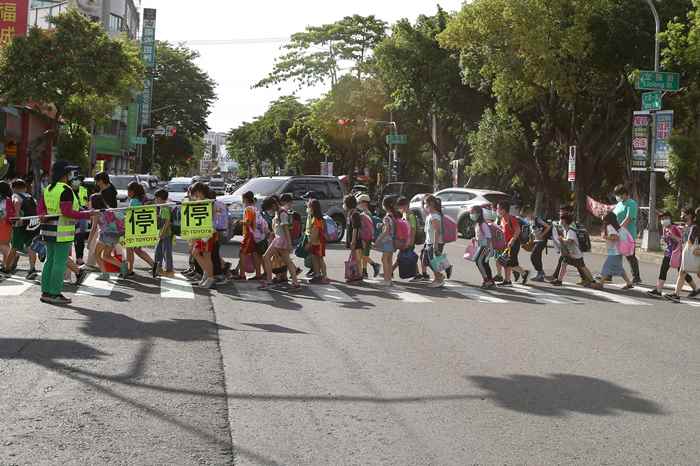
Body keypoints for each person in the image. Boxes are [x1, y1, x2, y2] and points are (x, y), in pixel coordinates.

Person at [37, 161, 93, 305]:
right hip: (62, 233)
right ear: (64, 174)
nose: (70, 175)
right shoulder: (66, 190)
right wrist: (87, 214)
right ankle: (55, 294)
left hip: (48, 231)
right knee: (59, 263)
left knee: (50, 261)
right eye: (69, 172)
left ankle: (46, 292)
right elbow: (67, 212)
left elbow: (41, 210)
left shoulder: (48, 189)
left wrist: (43, 215)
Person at [648, 211, 698, 298]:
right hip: (669, 253)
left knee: (681, 272)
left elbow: (681, 240)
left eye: (665, 218)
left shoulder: (675, 228)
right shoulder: (665, 228)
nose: (663, 220)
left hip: (676, 253)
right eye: (662, 219)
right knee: (672, 271)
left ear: (670, 219)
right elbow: (667, 241)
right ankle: (659, 290)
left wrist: (672, 236)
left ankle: (659, 290)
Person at [261, 193, 299, 290]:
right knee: (287, 261)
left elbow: (286, 229)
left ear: (273, 205)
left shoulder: (282, 213)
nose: (269, 211)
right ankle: (295, 283)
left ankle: (270, 281)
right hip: (279, 239)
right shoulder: (279, 212)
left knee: (269, 258)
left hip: (281, 240)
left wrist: (289, 244)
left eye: (269, 208)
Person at [550, 213, 596, 287]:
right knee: (564, 264)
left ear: (564, 221)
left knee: (582, 267)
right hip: (571, 253)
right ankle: (559, 280)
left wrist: (562, 240)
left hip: (576, 254)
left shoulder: (570, 231)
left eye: (561, 219)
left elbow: (570, 241)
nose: (560, 221)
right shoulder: (565, 230)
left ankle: (592, 281)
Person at [665, 208, 700, 303]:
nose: (681, 216)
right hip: (692, 253)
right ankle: (676, 295)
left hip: (694, 253)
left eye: (683, 214)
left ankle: (676, 295)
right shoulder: (690, 226)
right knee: (682, 272)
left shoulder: (694, 227)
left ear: (690, 215)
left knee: (687, 272)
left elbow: (690, 242)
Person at [608, 185, 641, 284]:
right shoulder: (619, 204)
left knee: (630, 256)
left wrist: (619, 229)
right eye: (617, 195)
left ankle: (636, 277)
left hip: (628, 235)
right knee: (614, 254)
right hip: (617, 234)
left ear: (625, 194)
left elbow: (628, 218)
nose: (618, 197)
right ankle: (608, 275)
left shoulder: (631, 203)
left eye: (619, 194)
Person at [87, 193, 124, 281]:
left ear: (94, 202)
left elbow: (94, 228)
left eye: (90, 201)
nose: (89, 202)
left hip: (105, 236)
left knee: (97, 254)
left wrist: (89, 241)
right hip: (115, 235)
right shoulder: (109, 209)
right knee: (107, 256)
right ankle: (123, 267)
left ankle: (105, 274)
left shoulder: (97, 212)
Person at [121, 181, 155, 276]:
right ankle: (154, 265)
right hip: (140, 228)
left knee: (130, 249)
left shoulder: (134, 201)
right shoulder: (142, 199)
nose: (127, 193)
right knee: (137, 250)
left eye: (128, 191)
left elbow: (130, 216)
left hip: (133, 228)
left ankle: (129, 269)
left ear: (133, 191)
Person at [7, 179, 39, 280]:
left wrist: (17, 216)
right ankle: (32, 269)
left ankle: (6, 268)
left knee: (14, 247)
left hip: (20, 225)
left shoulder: (15, 195)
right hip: (32, 224)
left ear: (13, 188)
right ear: (25, 188)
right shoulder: (30, 196)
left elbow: (16, 202)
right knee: (30, 247)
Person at [596, 211, 634, 290]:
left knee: (607, 267)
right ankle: (629, 283)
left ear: (607, 218)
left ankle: (600, 283)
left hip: (614, 251)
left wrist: (606, 237)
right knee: (619, 268)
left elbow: (615, 237)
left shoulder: (609, 226)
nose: (603, 216)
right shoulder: (616, 226)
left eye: (604, 215)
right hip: (617, 251)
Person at [497, 201, 530, 286]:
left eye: (498, 209)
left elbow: (517, 230)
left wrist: (512, 240)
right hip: (507, 244)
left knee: (509, 263)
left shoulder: (511, 218)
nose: (497, 210)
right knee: (508, 262)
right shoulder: (502, 219)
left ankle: (512, 279)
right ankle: (519, 275)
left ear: (504, 210)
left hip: (514, 243)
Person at [420, 195, 447, 288]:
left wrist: (435, 245)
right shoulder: (430, 215)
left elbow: (437, 231)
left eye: (425, 204)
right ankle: (439, 276)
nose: (424, 206)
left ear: (431, 204)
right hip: (429, 242)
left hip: (434, 243)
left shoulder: (435, 216)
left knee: (434, 262)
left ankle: (438, 280)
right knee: (428, 261)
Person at [235, 191, 261, 280]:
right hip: (255, 234)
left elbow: (248, 222)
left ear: (245, 199)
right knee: (254, 254)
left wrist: (239, 222)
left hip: (249, 234)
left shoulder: (248, 209)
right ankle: (258, 274)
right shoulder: (255, 208)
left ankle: (242, 275)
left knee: (242, 253)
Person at [522, 206, 551, 282]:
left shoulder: (537, 219)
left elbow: (548, 227)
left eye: (527, 214)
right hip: (536, 241)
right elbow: (532, 232)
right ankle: (540, 274)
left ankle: (540, 273)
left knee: (533, 256)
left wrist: (542, 235)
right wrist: (530, 241)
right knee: (537, 257)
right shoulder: (530, 221)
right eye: (525, 215)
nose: (526, 216)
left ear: (531, 212)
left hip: (542, 241)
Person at [375, 196, 399, 287]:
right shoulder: (393, 216)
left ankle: (386, 279)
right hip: (393, 240)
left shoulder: (387, 217)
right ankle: (389, 279)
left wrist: (378, 239)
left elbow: (386, 231)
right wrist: (382, 225)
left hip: (387, 241)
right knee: (389, 259)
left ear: (384, 205)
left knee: (384, 259)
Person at [357, 194, 381, 278]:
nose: (358, 204)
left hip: (365, 237)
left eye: (359, 203)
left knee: (363, 255)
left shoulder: (366, 213)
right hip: (368, 237)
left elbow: (366, 228)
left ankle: (374, 265)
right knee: (365, 255)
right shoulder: (366, 212)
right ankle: (364, 271)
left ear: (364, 203)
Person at [471, 205, 495, 289]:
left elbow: (488, 237)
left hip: (485, 246)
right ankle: (490, 281)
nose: (471, 214)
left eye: (473, 212)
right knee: (484, 263)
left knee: (479, 261)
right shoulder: (478, 224)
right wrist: (475, 239)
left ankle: (487, 280)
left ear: (478, 213)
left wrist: (488, 249)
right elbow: (481, 235)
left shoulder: (483, 224)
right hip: (481, 245)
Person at [392, 196, 417, 273]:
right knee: (407, 257)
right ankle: (417, 273)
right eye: (399, 207)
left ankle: (390, 271)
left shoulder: (410, 215)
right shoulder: (405, 214)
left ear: (407, 205)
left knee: (402, 257)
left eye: (402, 207)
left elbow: (413, 229)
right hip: (405, 240)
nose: (400, 209)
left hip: (409, 241)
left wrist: (410, 242)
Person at [154, 188, 175, 278]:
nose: (155, 200)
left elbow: (167, 221)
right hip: (163, 233)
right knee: (160, 251)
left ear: (159, 198)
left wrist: (162, 233)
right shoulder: (163, 207)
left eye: (156, 198)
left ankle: (169, 270)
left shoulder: (165, 208)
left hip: (166, 233)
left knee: (166, 252)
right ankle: (159, 268)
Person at [307, 198, 329, 284]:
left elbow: (315, 232)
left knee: (319, 259)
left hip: (318, 243)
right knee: (315, 259)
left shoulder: (317, 219)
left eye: (309, 207)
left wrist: (309, 243)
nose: (308, 209)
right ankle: (317, 275)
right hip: (316, 242)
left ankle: (324, 276)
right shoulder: (317, 218)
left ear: (313, 208)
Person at [73, 175, 90, 266]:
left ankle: (79, 258)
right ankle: (69, 260)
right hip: (73, 215)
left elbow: (86, 201)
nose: (78, 182)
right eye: (76, 180)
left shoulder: (84, 189)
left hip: (82, 215)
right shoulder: (68, 190)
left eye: (80, 180)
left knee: (80, 237)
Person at [0, 181, 15, 276]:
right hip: (6, 223)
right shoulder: (8, 199)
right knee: (4, 244)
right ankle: (6, 264)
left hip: (3, 222)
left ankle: (7, 263)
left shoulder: (4, 200)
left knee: (3, 245)